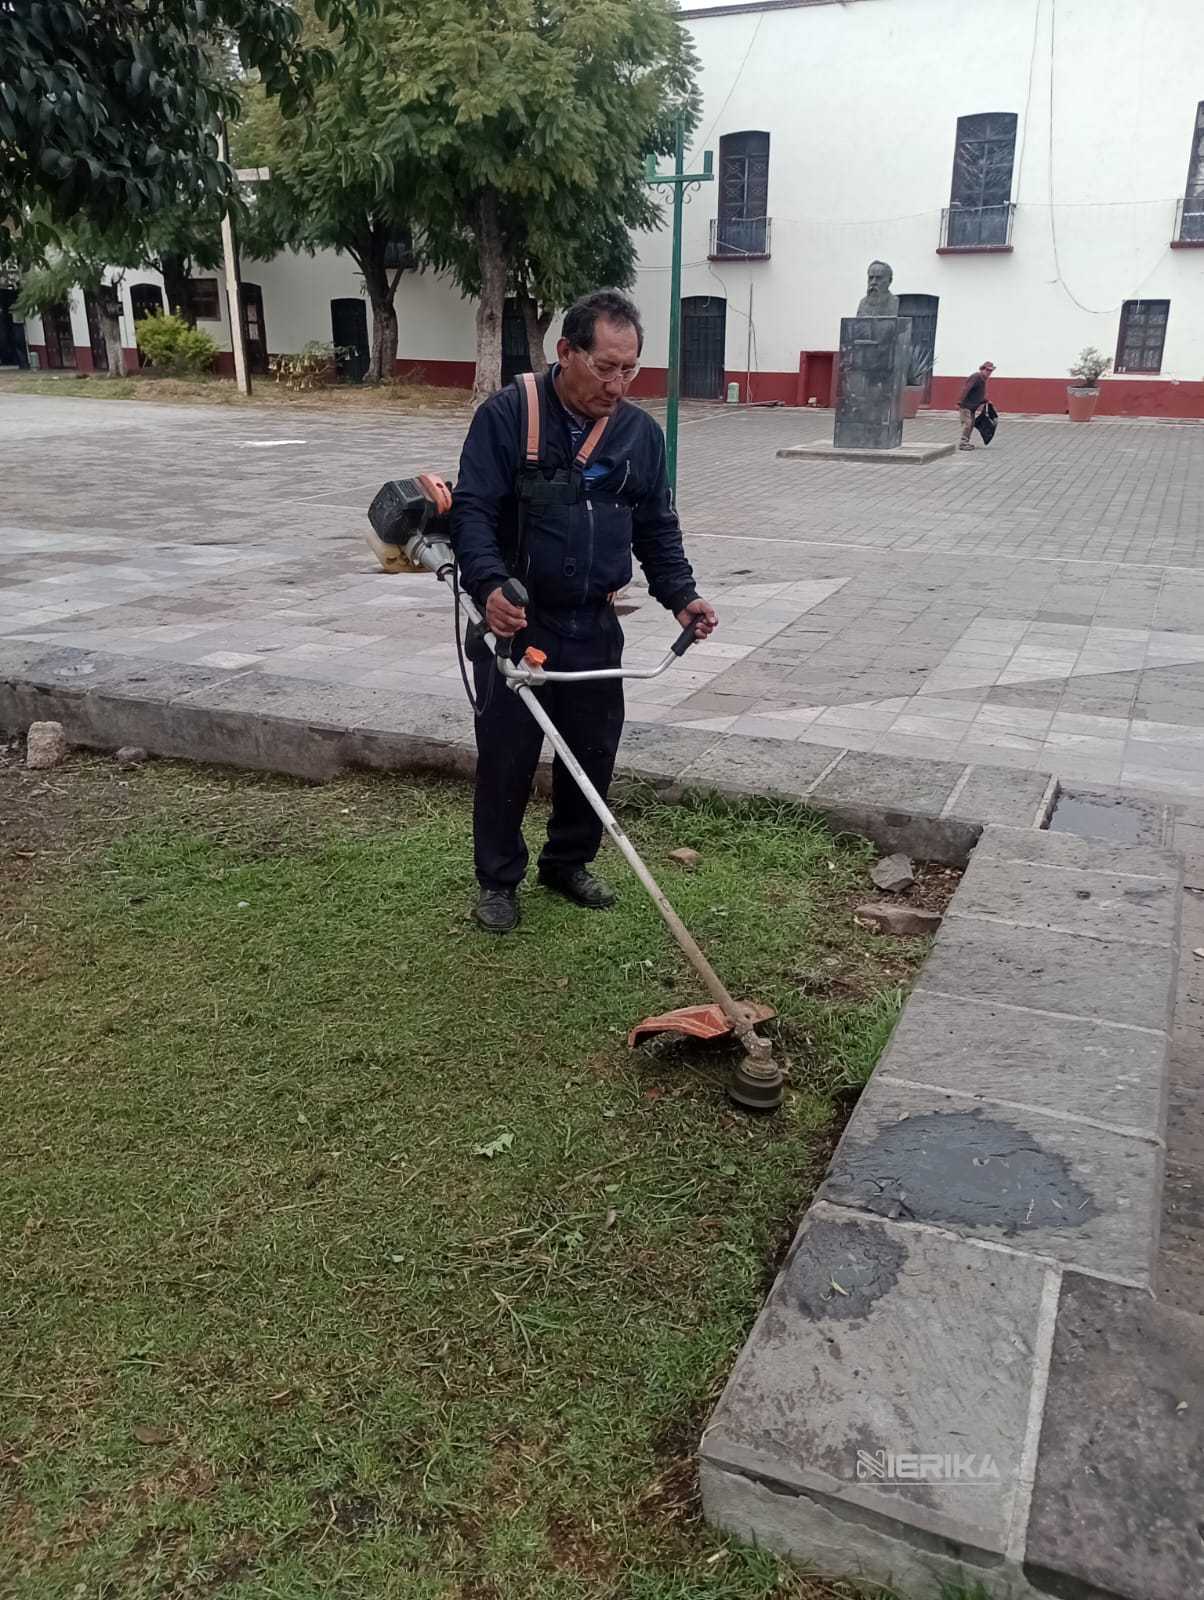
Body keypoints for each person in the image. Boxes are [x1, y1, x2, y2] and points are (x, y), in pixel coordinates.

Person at [451, 289, 718, 934]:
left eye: (630, 368)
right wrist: (488, 587)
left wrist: (682, 595)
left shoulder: (639, 435)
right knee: (508, 755)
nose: (619, 384)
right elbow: (473, 511)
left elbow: (657, 526)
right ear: (565, 352)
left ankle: (568, 862)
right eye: (605, 368)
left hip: (595, 622)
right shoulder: (508, 416)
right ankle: (498, 880)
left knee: (593, 752)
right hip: (518, 622)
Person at [958, 361, 996, 449]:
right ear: (982, 369)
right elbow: (966, 388)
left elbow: (978, 394)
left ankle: (966, 442)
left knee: (971, 424)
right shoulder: (976, 377)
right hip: (966, 405)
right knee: (968, 424)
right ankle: (963, 443)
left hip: (972, 407)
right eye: (987, 370)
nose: (989, 372)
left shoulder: (983, 379)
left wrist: (986, 401)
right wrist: (960, 401)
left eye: (991, 371)